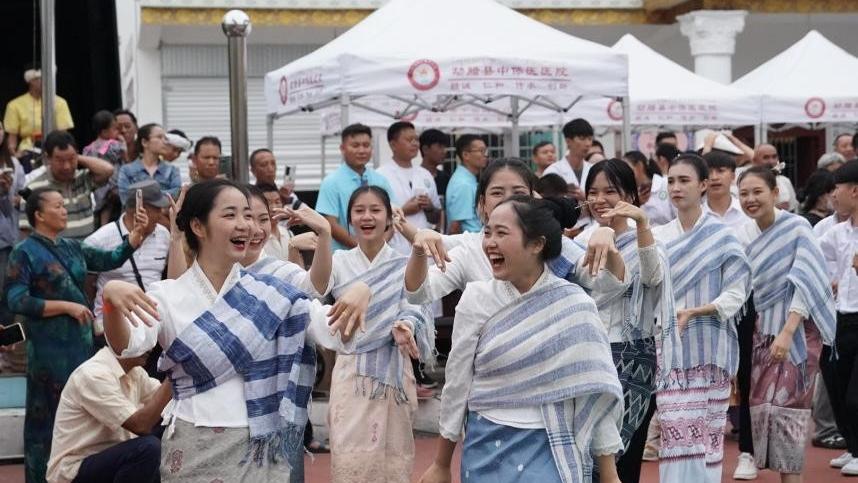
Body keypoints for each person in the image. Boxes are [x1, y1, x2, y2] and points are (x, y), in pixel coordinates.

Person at [101, 179, 372, 482]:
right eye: (230, 215)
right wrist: (110, 300)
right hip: (192, 443)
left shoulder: (274, 295)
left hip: (257, 446)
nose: (246, 225)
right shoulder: (167, 295)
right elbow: (128, 345)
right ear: (198, 227)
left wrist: (362, 292)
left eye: (249, 215)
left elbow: (334, 330)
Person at [419, 196, 624, 483]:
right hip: (485, 445)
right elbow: (457, 380)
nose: (489, 242)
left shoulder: (575, 304)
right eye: (487, 232)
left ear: (537, 244)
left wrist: (610, 473)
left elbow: (590, 386)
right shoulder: (476, 299)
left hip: (551, 445)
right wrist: (441, 463)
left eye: (502, 233)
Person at [4, 187, 151, 483]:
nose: (63, 210)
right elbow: (16, 299)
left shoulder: (72, 246)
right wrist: (66, 306)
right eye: (57, 206)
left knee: (77, 416)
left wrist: (135, 237)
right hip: (48, 349)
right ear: (38, 215)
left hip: (79, 344)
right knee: (44, 421)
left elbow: (108, 259)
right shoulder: (24, 251)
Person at [652, 154, 751, 483]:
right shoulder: (658, 236)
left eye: (684, 181)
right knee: (674, 436)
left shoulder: (724, 236)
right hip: (670, 351)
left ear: (703, 185)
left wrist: (697, 311)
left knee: (707, 440)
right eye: (671, 181)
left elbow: (737, 294)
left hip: (711, 351)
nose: (676, 188)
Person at [735, 166, 836, 482]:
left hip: (798, 332)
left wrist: (788, 331)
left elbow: (806, 281)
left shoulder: (797, 227)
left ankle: (793, 479)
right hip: (763, 330)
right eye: (745, 194)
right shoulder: (743, 233)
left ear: (775, 193)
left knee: (789, 409)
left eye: (757, 192)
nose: (751, 199)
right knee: (763, 406)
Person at [327, 186, 433, 482]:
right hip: (351, 370)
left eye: (375, 210)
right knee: (348, 456)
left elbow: (417, 304)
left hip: (393, 371)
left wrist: (406, 325)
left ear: (389, 218)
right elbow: (318, 301)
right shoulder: (338, 263)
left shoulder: (403, 262)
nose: (367, 217)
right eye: (359, 210)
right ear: (349, 219)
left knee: (393, 459)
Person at [578, 159, 673, 483]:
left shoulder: (649, 239)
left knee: (625, 453)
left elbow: (653, 278)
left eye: (610, 191)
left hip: (634, 354)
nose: (600, 199)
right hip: (589, 352)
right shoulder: (579, 242)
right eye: (593, 192)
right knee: (586, 447)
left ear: (630, 196)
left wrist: (643, 226)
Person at [46, 347, 171, 483]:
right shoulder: (93, 374)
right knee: (148, 449)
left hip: (110, 460)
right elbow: (140, 425)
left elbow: (168, 403)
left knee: (169, 431)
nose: (151, 346)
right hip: (73, 472)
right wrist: (175, 374)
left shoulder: (135, 372)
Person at [83, 180, 171, 337]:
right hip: (114, 328)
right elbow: (87, 283)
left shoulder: (164, 234)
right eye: (156, 208)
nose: (161, 213)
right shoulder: (100, 239)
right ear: (138, 209)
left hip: (154, 324)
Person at [818, 161, 858, 475]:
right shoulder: (837, 232)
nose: (833, 196)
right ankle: (853, 445)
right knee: (834, 379)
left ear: (854, 191)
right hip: (840, 317)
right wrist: (832, 280)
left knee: (855, 394)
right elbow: (819, 261)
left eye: (838, 189)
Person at [22, 131, 115, 240]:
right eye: (60, 160)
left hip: (85, 251)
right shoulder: (34, 188)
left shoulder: (83, 179)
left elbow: (108, 170)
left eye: (71, 159)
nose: (66, 166)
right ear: (48, 158)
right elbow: (25, 231)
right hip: (54, 254)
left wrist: (76, 157)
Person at [316, 123, 394, 250]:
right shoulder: (331, 182)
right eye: (355, 145)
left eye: (366, 145)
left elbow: (393, 218)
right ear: (342, 148)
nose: (362, 150)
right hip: (343, 258)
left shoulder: (381, 180)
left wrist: (378, 246)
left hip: (379, 256)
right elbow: (330, 223)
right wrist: (361, 248)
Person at [378, 122, 441, 254]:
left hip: (424, 248)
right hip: (394, 247)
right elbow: (375, 217)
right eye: (409, 140)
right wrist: (404, 210)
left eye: (416, 139)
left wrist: (429, 207)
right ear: (393, 145)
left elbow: (437, 216)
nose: (415, 144)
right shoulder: (381, 175)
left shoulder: (425, 174)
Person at [3, 66, 74, 155]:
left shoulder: (60, 102)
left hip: (54, 149)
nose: (46, 81)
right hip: (28, 150)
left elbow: (63, 135)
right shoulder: (14, 105)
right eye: (41, 79)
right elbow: (12, 139)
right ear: (31, 81)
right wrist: (14, 156)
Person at [117, 123, 182, 204]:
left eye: (165, 138)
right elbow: (126, 198)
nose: (165, 142)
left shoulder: (172, 170)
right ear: (144, 142)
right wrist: (160, 197)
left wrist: (142, 195)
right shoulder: (126, 170)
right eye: (159, 137)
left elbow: (176, 194)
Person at [0, 120, 26, 322]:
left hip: (9, 239)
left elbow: (24, 196)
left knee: (8, 294)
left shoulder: (13, 164)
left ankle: (5, 346)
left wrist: (13, 198)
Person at [83, 110, 126, 226]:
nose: (118, 132)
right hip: (113, 182)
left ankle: (103, 225)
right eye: (115, 129)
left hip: (98, 185)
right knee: (118, 205)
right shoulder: (113, 144)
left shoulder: (89, 148)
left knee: (104, 208)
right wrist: (123, 143)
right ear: (104, 131)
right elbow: (123, 156)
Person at [543, 118, 594, 205]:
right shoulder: (553, 172)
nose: (588, 143)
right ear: (568, 141)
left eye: (590, 139)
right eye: (582, 138)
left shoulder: (593, 169)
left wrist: (584, 197)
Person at [446, 134, 487, 234]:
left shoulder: (468, 179)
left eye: (485, 151)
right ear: (465, 155)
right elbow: (455, 227)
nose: (485, 155)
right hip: (468, 244)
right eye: (481, 151)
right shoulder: (463, 184)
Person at [702, 151, 750, 230]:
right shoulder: (696, 216)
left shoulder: (747, 210)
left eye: (720, 171)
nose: (714, 177)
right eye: (708, 172)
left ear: (733, 176)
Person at [623, 150, 674, 226]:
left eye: (626, 168)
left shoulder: (665, 184)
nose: (624, 173)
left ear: (639, 166)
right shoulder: (628, 193)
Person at [749, 144, 798, 212]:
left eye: (774, 157)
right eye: (766, 157)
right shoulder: (747, 183)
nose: (771, 161)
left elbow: (792, 209)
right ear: (755, 161)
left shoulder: (785, 181)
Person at [419, 129, 451, 198]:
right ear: (425, 149)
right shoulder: (415, 177)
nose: (444, 151)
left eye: (445, 147)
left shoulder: (446, 178)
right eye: (440, 147)